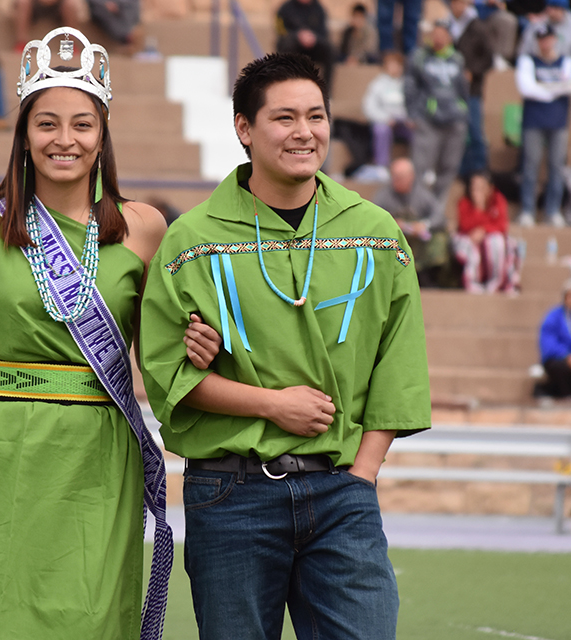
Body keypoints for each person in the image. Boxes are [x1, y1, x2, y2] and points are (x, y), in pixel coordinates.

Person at [0, 27, 216, 640]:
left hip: (96, 456)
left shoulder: (144, 227)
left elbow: (161, 358)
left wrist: (202, 347)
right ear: (23, 133)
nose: (65, 140)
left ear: (103, 135)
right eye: (47, 123)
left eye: (82, 125)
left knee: (87, 618)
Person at [140, 53, 431, 640]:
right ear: (244, 129)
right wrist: (272, 405)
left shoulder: (375, 231)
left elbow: (399, 362)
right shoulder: (193, 239)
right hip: (230, 494)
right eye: (284, 118)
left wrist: (363, 474)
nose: (305, 132)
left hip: (343, 490)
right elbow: (168, 373)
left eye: (316, 116)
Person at [404, 19, 469, 207]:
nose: (439, 38)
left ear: (450, 37)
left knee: (448, 168)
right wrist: (412, 113)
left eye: (443, 34)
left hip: (454, 122)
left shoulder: (457, 59)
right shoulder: (419, 57)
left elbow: (463, 91)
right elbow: (410, 86)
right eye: (436, 33)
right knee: (420, 168)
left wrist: (463, 114)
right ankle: (417, 210)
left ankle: (436, 212)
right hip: (428, 120)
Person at [515, 22, 571, 227]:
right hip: (533, 121)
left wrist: (542, 88)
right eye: (541, 39)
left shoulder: (566, 61)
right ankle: (527, 210)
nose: (545, 43)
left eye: (548, 38)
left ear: (555, 39)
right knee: (530, 167)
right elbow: (526, 88)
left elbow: (570, 86)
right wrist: (554, 89)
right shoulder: (527, 60)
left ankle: (552, 210)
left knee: (556, 167)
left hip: (558, 122)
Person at [374, 156, 449, 286]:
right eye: (394, 176)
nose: (397, 180)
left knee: (440, 238)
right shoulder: (383, 196)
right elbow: (374, 218)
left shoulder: (422, 194)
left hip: (420, 240)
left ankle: (429, 278)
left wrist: (424, 225)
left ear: (411, 176)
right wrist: (391, 224)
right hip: (395, 238)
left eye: (401, 177)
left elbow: (439, 216)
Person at [453, 171, 521, 292]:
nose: (476, 190)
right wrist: (478, 209)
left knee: (499, 242)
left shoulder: (498, 199)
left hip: (489, 238)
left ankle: (499, 282)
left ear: (489, 188)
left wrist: (484, 229)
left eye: (481, 187)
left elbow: (501, 225)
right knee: (469, 246)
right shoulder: (464, 202)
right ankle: (472, 282)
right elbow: (465, 225)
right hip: (469, 237)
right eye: (474, 187)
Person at [449, 0, 494, 177]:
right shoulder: (447, 26)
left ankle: (479, 170)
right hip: (450, 90)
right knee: (455, 132)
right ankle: (460, 170)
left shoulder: (477, 27)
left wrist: (472, 71)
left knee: (475, 131)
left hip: (472, 90)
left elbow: (488, 58)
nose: (457, 6)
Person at [362, 50, 410, 169]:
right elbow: (369, 107)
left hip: (404, 122)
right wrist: (385, 118)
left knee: (423, 130)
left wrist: (409, 119)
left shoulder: (408, 84)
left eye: (398, 65)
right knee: (381, 130)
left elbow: (413, 105)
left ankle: (421, 168)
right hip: (385, 121)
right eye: (391, 65)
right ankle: (381, 166)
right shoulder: (377, 84)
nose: (395, 68)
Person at [276, 0, 336, 90]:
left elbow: (324, 32)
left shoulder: (319, 9)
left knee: (330, 49)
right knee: (287, 45)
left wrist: (313, 37)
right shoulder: (286, 8)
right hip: (293, 45)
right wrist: (297, 35)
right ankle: (286, 85)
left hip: (313, 47)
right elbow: (280, 29)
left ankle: (327, 91)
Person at [538, 278, 571, 397]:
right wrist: (567, 356)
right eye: (570, 295)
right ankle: (565, 394)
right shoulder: (553, 316)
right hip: (558, 358)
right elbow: (548, 343)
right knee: (560, 368)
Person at [13, 0, 89, 52]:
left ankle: (70, 46)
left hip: (60, 5)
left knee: (71, 5)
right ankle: (22, 45)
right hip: (35, 4)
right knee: (23, 3)